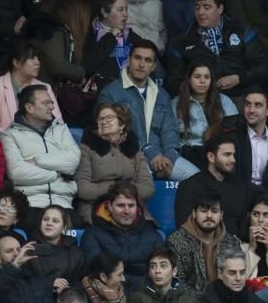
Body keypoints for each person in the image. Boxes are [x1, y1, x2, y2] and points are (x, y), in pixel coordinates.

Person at [97, 38, 198, 182]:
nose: (142, 64)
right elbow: (111, 133)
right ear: (129, 60)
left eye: (148, 60)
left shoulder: (161, 94)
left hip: (163, 156)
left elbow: (170, 129)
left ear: (153, 66)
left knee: (198, 180)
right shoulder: (110, 93)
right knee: (144, 184)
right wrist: (150, 154)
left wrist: (169, 155)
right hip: (128, 155)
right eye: (137, 58)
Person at [166, 0, 268, 99]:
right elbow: (172, 82)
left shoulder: (241, 30)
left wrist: (239, 78)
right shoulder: (182, 42)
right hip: (207, 102)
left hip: (247, 96)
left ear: (220, 8)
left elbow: (265, 67)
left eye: (207, 7)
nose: (200, 12)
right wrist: (199, 87)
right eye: (197, 7)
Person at [0, 84, 79, 221]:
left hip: (63, 203)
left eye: (51, 102)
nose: (52, 107)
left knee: (79, 230)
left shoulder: (61, 130)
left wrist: (37, 160)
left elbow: (73, 161)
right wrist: (57, 172)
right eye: (45, 103)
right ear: (29, 108)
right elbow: (17, 173)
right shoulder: (9, 135)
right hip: (31, 204)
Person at [75, 102, 154, 225]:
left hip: (129, 207)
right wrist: (115, 189)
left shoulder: (133, 149)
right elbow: (82, 189)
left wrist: (125, 193)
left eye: (109, 118)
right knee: (112, 230)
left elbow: (148, 189)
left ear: (122, 124)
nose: (103, 121)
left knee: (149, 232)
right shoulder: (87, 148)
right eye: (100, 119)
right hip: (96, 205)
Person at [80, 181, 163, 293]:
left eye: (131, 205)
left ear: (137, 207)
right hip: (108, 296)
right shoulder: (92, 235)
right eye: (121, 205)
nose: (127, 211)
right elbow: (97, 275)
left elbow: (161, 273)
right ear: (109, 206)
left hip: (146, 297)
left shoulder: (152, 235)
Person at [167, 191, 243, 297]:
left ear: (221, 215)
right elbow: (178, 283)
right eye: (204, 211)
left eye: (214, 211)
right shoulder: (176, 241)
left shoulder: (232, 242)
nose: (209, 215)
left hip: (227, 300)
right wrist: (206, 300)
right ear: (194, 213)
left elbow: (237, 278)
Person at [172, 59, 239, 167]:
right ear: (189, 79)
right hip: (188, 155)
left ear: (212, 80)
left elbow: (235, 133)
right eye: (197, 77)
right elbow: (171, 137)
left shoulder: (224, 101)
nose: (202, 81)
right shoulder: (176, 104)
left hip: (219, 154)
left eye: (207, 77)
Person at [0, 41, 62, 137]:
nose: (37, 62)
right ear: (16, 63)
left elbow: (58, 123)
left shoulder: (45, 88)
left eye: (37, 58)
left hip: (40, 145)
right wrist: (12, 140)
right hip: (5, 145)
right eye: (31, 58)